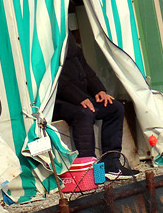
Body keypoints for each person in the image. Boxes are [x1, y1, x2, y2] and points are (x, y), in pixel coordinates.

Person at [53, 31, 138, 180]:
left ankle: (111, 164)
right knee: (84, 113)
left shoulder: (66, 35)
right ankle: (89, 170)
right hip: (58, 101)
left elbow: (85, 68)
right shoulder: (43, 38)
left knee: (115, 108)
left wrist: (99, 90)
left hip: (80, 96)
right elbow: (54, 79)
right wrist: (78, 98)